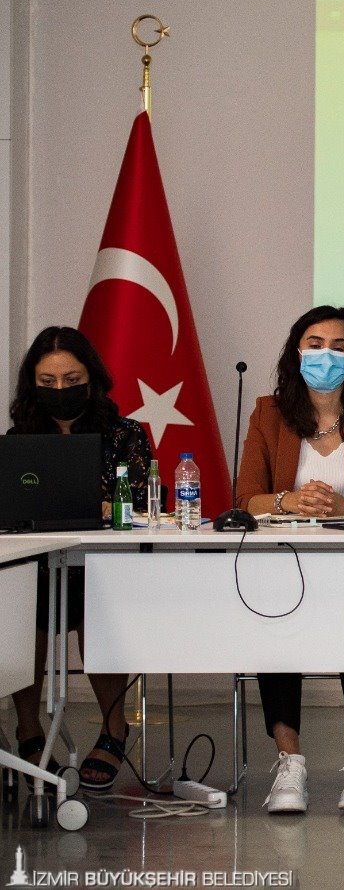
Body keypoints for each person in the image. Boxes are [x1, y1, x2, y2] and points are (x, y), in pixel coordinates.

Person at [234, 306, 344, 814]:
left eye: (338, 346)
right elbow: (245, 498)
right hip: (284, 562)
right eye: (315, 344)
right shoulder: (268, 413)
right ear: (297, 351)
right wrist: (289, 501)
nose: (326, 355)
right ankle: (290, 762)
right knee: (274, 621)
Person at [7, 326, 151, 792]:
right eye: (47, 382)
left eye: (71, 380)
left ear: (92, 378)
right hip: (39, 563)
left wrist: (112, 508)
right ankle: (28, 727)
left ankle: (113, 727)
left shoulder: (125, 433)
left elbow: (145, 504)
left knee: (99, 601)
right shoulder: (20, 438)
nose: (60, 390)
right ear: (32, 384)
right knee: (20, 602)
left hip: (103, 566)